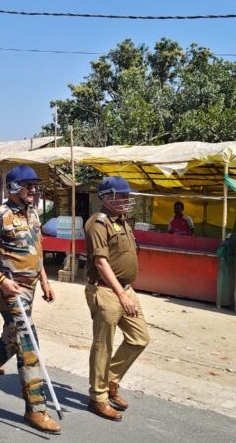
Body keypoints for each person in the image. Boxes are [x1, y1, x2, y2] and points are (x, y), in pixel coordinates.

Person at [0, 165, 60, 435]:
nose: (34, 190)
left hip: (30, 288)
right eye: (29, 186)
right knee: (28, 342)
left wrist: (45, 280)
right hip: (8, 289)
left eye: (35, 185)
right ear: (14, 188)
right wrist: (2, 280)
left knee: (14, 338)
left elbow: (37, 249)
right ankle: (35, 409)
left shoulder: (33, 213)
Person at [84, 176, 150, 422]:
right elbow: (101, 262)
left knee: (139, 338)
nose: (126, 199)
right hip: (106, 291)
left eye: (127, 195)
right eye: (121, 195)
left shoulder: (122, 221)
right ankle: (98, 396)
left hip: (125, 289)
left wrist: (126, 291)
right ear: (106, 197)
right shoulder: (98, 224)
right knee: (103, 345)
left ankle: (109, 379)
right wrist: (121, 294)